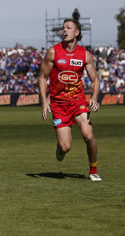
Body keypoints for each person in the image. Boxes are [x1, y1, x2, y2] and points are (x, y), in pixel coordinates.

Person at [38, 19, 101, 181]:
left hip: (78, 102)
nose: (64, 30)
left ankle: (93, 170)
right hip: (58, 105)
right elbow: (42, 77)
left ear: (76, 33)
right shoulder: (53, 52)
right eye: (63, 28)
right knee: (66, 147)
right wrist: (45, 102)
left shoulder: (85, 55)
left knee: (88, 135)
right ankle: (60, 148)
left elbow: (95, 80)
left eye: (68, 28)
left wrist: (94, 97)